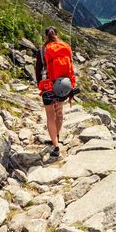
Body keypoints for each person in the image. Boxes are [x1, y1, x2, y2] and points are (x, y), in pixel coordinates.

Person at [35, 26, 76, 159]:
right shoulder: (66, 47)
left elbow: (38, 69)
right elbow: (71, 67)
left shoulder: (42, 51)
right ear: (57, 34)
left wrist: (39, 84)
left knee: (50, 115)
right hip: (63, 84)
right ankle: (56, 136)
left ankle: (56, 145)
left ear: (45, 35)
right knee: (59, 113)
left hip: (48, 86)